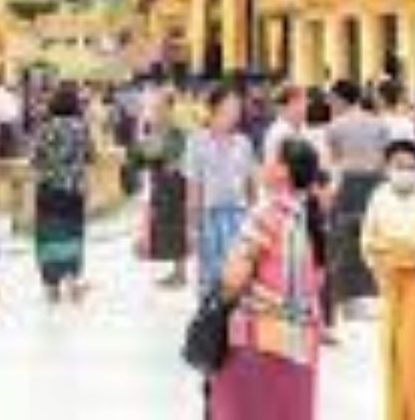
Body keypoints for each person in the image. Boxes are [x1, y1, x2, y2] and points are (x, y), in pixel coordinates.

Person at [210, 137, 325, 420]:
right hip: (300, 341)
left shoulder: (266, 213)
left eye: (268, 159)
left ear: (283, 171)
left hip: (259, 340)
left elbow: (234, 278)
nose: (261, 165)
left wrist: (221, 293)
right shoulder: (306, 213)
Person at [361, 138, 415, 420]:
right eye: (399, 166)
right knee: (392, 352)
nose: (404, 171)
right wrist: (379, 263)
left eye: (411, 166)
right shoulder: (378, 196)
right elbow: (367, 239)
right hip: (389, 282)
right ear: (388, 167)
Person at [324, 81, 388, 317]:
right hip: (375, 182)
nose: (330, 104)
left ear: (341, 99)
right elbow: (384, 159)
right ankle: (375, 296)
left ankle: (349, 301)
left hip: (348, 183)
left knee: (344, 242)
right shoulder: (378, 123)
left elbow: (334, 163)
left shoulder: (335, 127)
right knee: (373, 238)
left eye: (332, 100)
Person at [185, 85, 257, 295]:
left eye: (237, 107)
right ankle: (213, 325)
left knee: (239, 279)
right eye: (231, 106)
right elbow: (194, 186)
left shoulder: (244, 143)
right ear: (214, 109)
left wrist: (255, 221)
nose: (236, 112)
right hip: (210, 217)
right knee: (212, 281)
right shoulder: (197, 141)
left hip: (239, 217)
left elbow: (250, 185)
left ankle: (236, 326)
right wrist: (191, 227)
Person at [30, 84, 93, 303]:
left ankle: (51, 285)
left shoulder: (45, 128)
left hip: (48, 189)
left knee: (48, 235)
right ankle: (73, 279)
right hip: (74, 190)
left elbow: (34, 159)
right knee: (72, 233)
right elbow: (90, 156)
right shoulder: (82, 127)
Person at [139, 88, 191, 288]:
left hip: (174, 184)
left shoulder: (175, 130)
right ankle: (177, 271)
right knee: (169, 228)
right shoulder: (159, 128)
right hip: (162, 183)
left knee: (175, 227)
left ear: (169, 107)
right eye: (154, 107)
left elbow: (166, 156)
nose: (155, 111)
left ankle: (180, 273)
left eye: (158, 107)